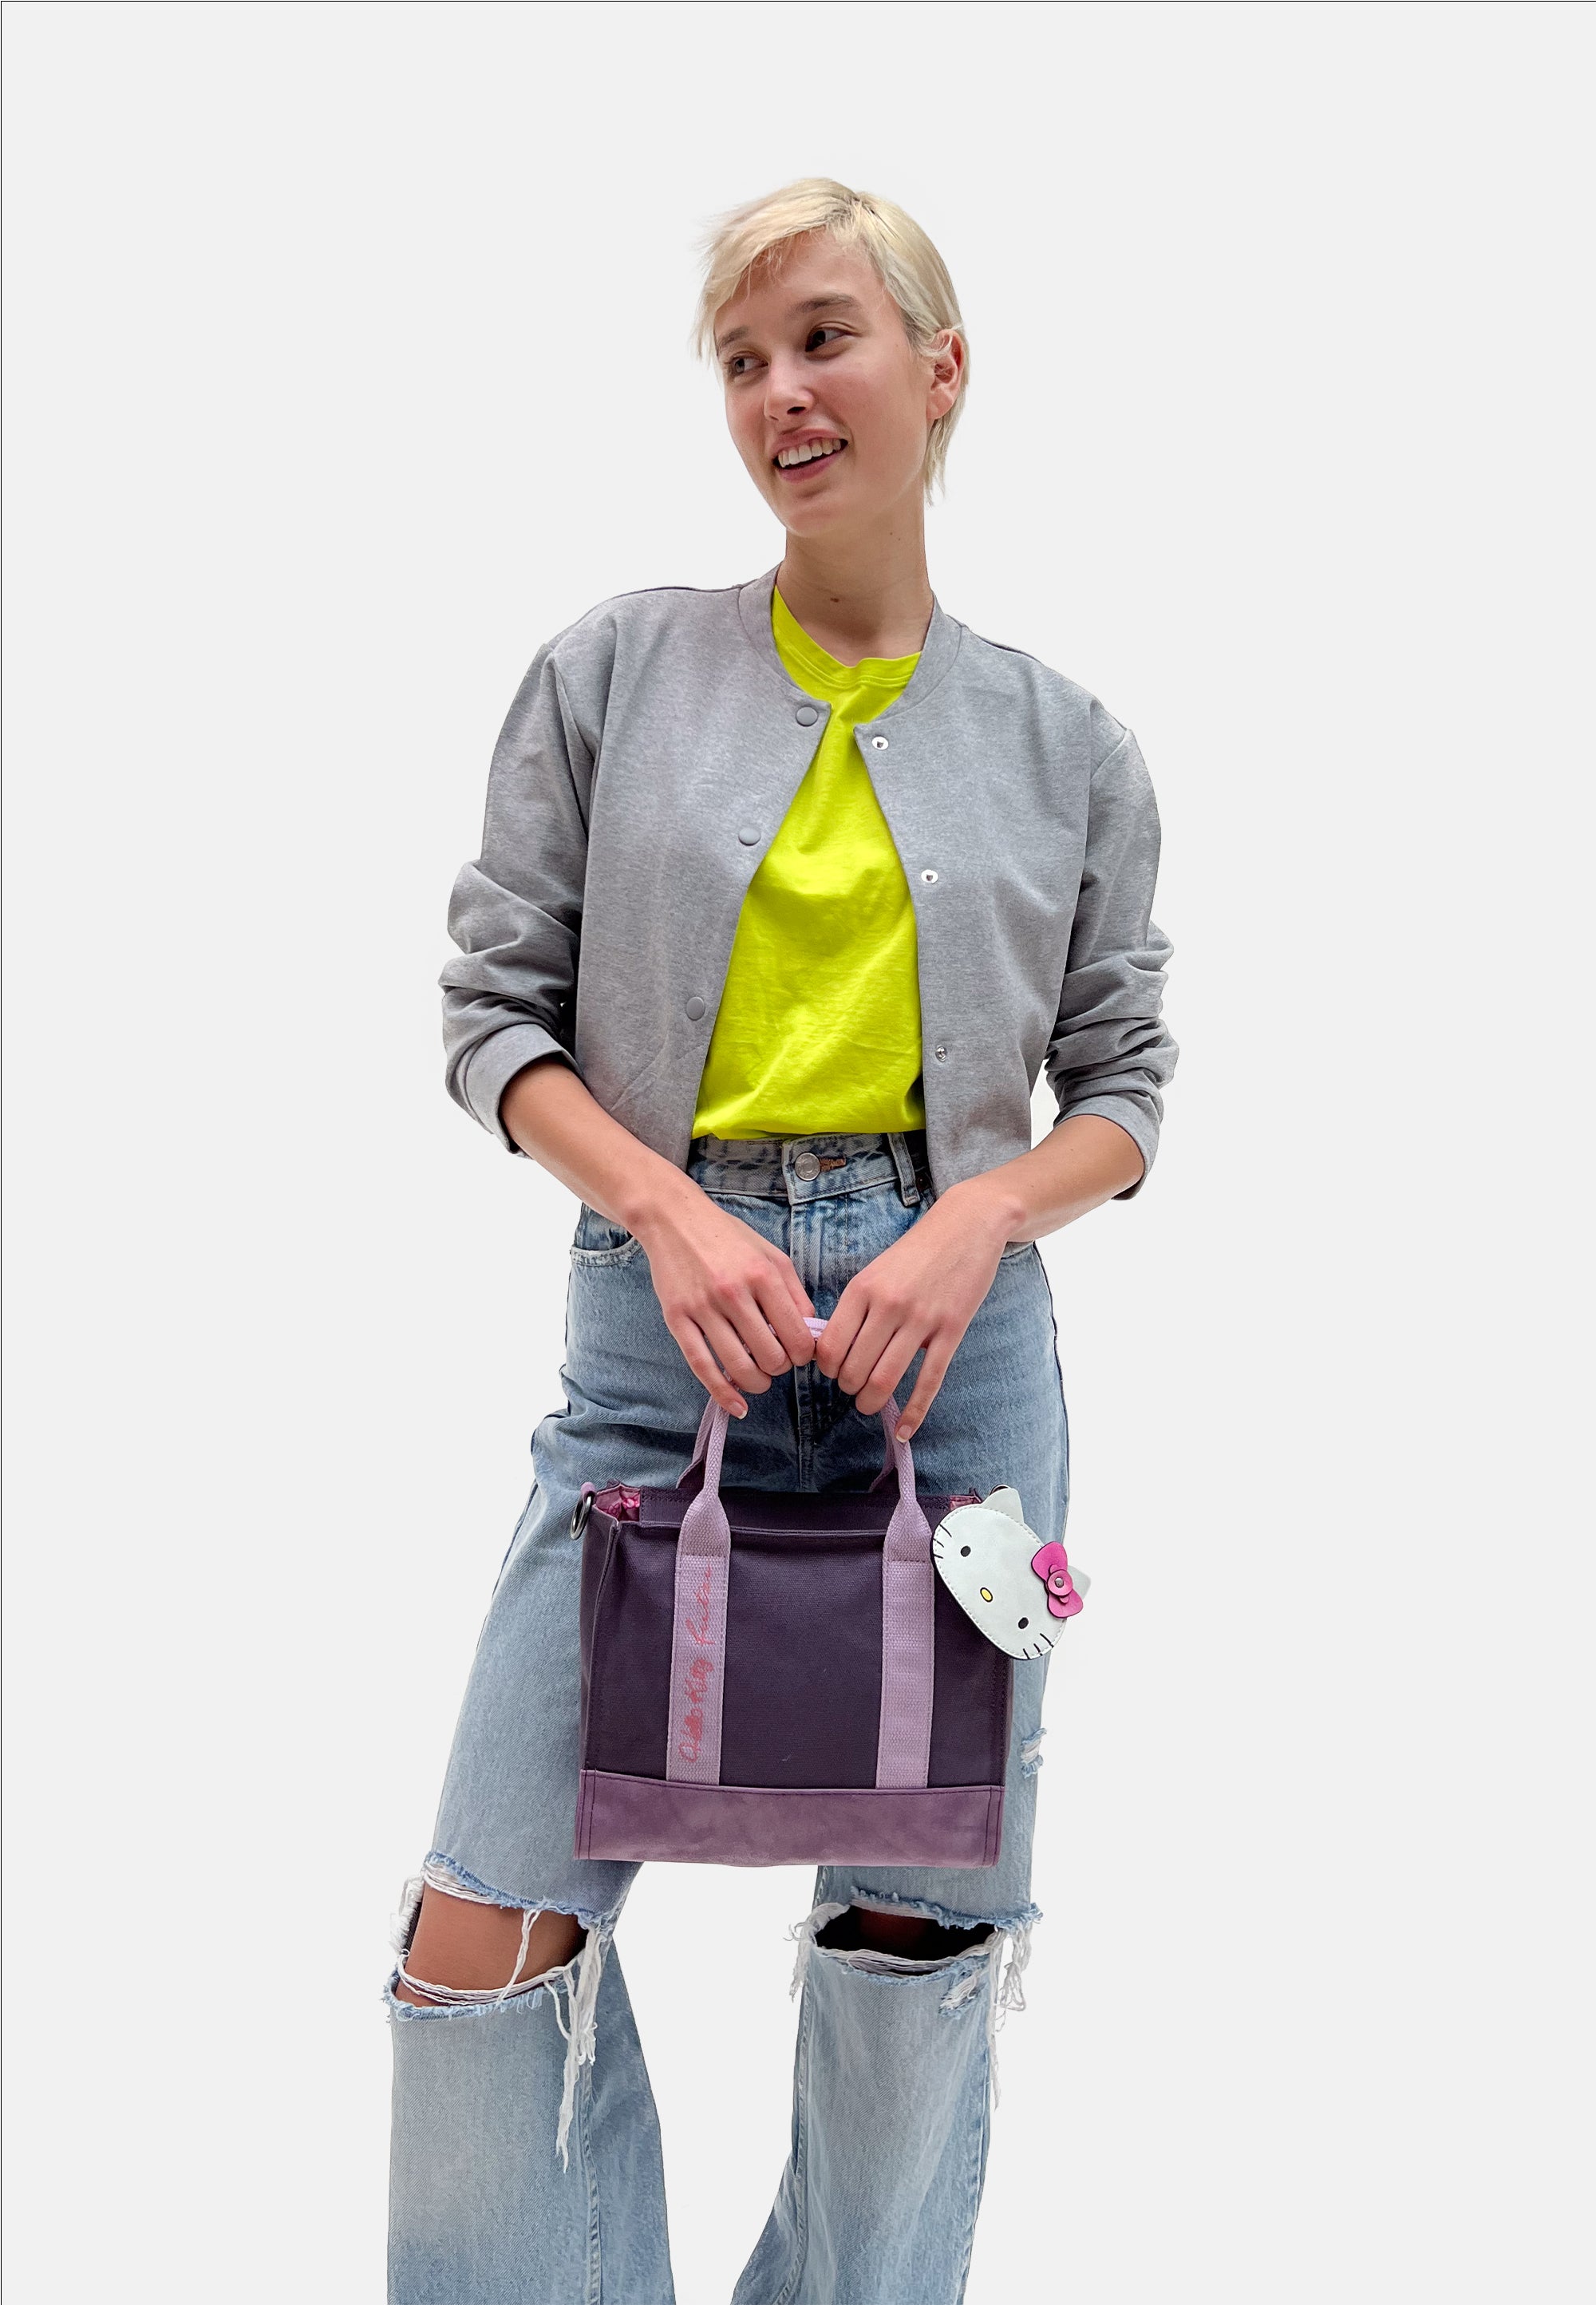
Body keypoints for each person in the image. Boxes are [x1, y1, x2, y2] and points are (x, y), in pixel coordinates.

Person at [386, 176, 1177, 2305]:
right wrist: (661, 1207)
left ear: (941, 367)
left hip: (954, 1372)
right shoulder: (614, 670)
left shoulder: (1070, 743)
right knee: (487, 1928)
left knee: (916, 1934)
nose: (779, 393)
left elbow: (1126, 1085)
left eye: (823, 337)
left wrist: (980, 1213)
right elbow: (492, 1021)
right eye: (742, 359)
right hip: (663, 1350)